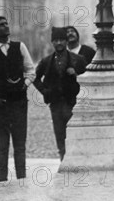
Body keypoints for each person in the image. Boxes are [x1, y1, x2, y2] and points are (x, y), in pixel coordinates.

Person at [0, 16, 35, 183]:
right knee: (2, 146)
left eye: (7, 23)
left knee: (20, 144)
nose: (6, 27)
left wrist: (25, 84)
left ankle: (22, 179)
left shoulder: (19, 47)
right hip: (1, 104)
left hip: (20, 103)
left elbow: (30, 70)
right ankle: (2, 180)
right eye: (1, 25)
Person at [34, 27, 87, 160]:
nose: (59, 43)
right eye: (56, 40)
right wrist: (45, 91)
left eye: (62, 40)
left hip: (73, 104)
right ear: (52, 42)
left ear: (66, 41)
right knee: (59, 133)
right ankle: (63, 161)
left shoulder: (78, 59)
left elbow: (87, 79)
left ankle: (75, 161)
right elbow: (34, 77)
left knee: (74, 134)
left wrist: (75, 74)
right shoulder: (46, 61)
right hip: (55, 104)